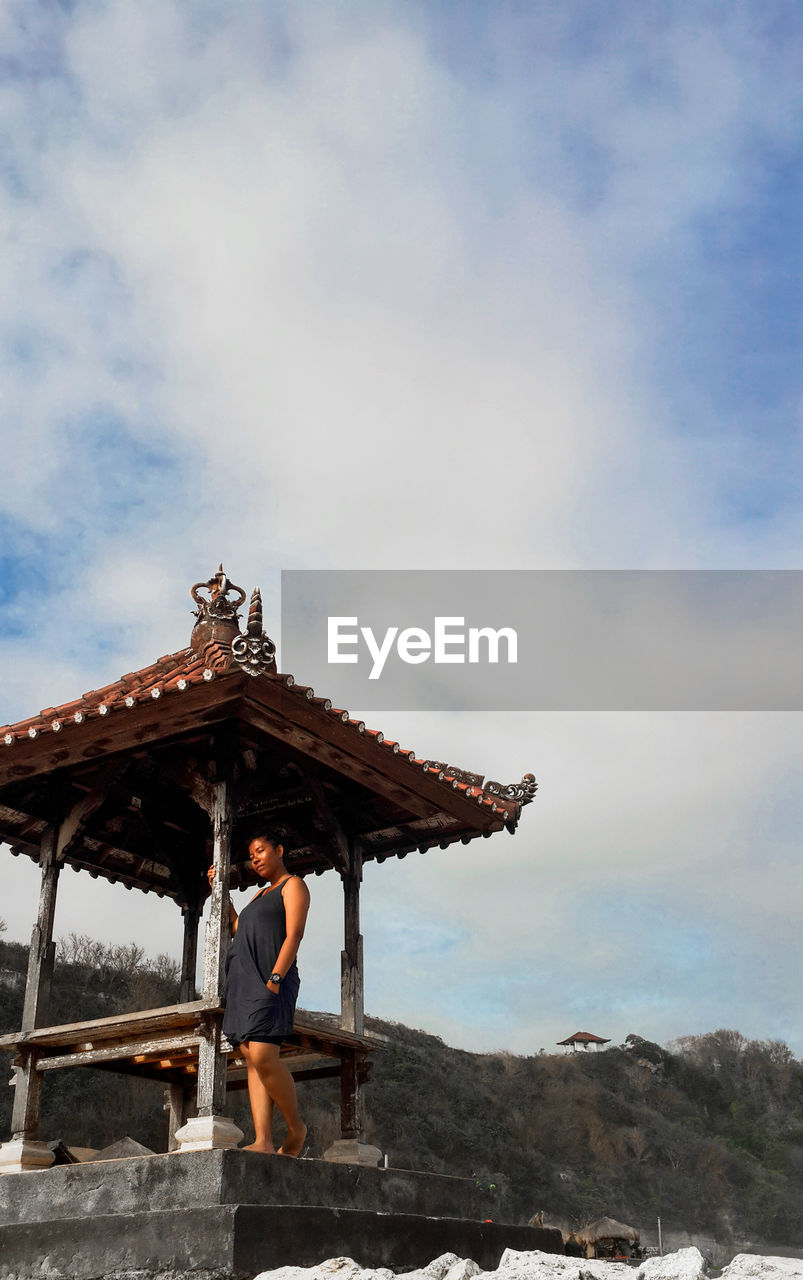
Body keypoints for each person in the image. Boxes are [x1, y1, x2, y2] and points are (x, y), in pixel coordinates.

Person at [207, 830, 311, 1156]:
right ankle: (263, 1140)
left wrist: (276, 978)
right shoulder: (258, 896)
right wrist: (220, 894)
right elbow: (238, 928)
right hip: (242, 984)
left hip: (271, 980)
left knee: (265, 1056)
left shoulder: (293, 885)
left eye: (261, 850)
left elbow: (294, 934)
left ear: (279, 850)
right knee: (252, 1061)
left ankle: (297, 1128)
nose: (255, 857)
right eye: (252, 854)